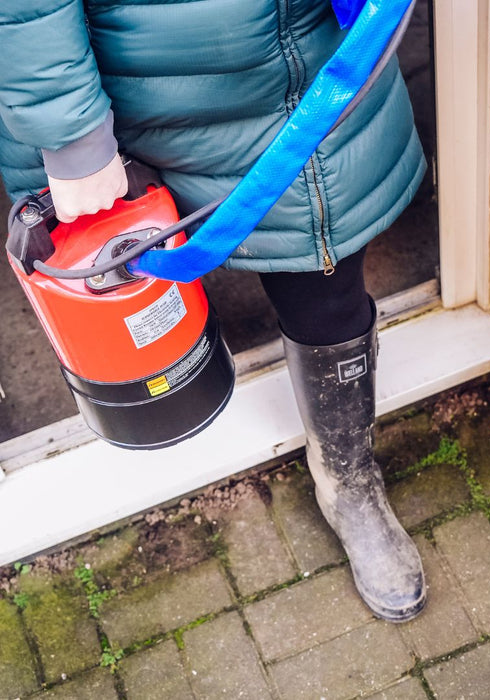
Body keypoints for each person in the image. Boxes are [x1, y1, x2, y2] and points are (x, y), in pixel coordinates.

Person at [0, 0, 427, 621]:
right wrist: (72, 135)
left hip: (314, 64)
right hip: (131, 89)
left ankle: (349, 483)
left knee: (328, 294)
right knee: (142, 299)